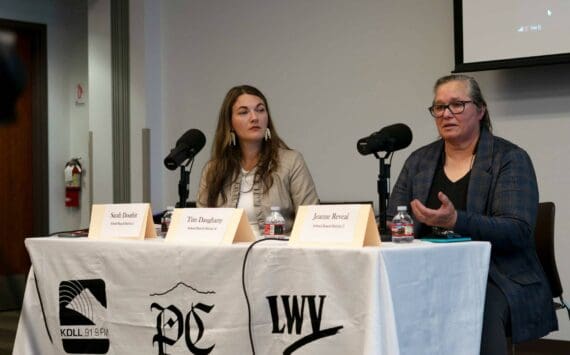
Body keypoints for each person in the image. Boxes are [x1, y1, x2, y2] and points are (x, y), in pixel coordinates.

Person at [387, 74, 557, 355]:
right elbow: (395, 219)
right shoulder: (419, 161)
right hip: (427, 272)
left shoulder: (509, 158)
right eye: (439, 107)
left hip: (496, 273)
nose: (446, 114)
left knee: (475, 308)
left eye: (457, 105)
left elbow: (516, 230)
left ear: (480, 110)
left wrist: (456, 221)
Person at [197, 85, 319, 237]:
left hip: (277, 253)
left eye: (260, 110)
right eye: (243, 112)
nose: (254, 117)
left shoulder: (291, 161)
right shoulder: (213, 169)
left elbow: (311, 219)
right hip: (226, 254)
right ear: (230, 124)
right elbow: (200, 225)